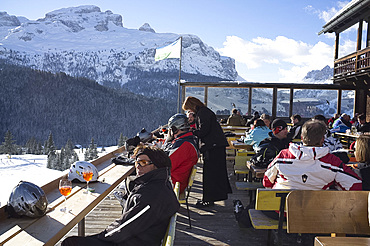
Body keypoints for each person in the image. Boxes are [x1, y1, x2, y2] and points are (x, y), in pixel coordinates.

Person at [62, 145, 180, 246]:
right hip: (137, 238)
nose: (138, 166)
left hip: (130, 242)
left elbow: (125, 228)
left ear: (157, 165)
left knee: (70, 243)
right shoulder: (158, 183)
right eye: (137, 162)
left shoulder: (152, 195)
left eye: (143, 163)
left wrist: (98, 238)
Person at [263, 120, 362, 190]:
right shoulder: (332, 162)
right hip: (315, 214)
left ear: (302, 138)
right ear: (322, 139)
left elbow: (266, 181)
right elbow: (355, 185)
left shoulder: (283, 155)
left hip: (280, 212)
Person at [182, 96, 232, 208]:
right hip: (216, 146)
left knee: (210, 174)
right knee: (215, 173)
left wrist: (192, 131)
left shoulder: (202, 113)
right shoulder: (204, 112)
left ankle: (208, 199)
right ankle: (211, 198)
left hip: (212, 147)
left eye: (189, 109)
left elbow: (203, 131)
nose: (190, 111)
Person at [163, 113, 199, 194]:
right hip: (177, 181)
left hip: (172, 184)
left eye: (171, 129)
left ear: (175, 129)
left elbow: (167, 165)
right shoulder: (187, 140)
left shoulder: (183, 145)